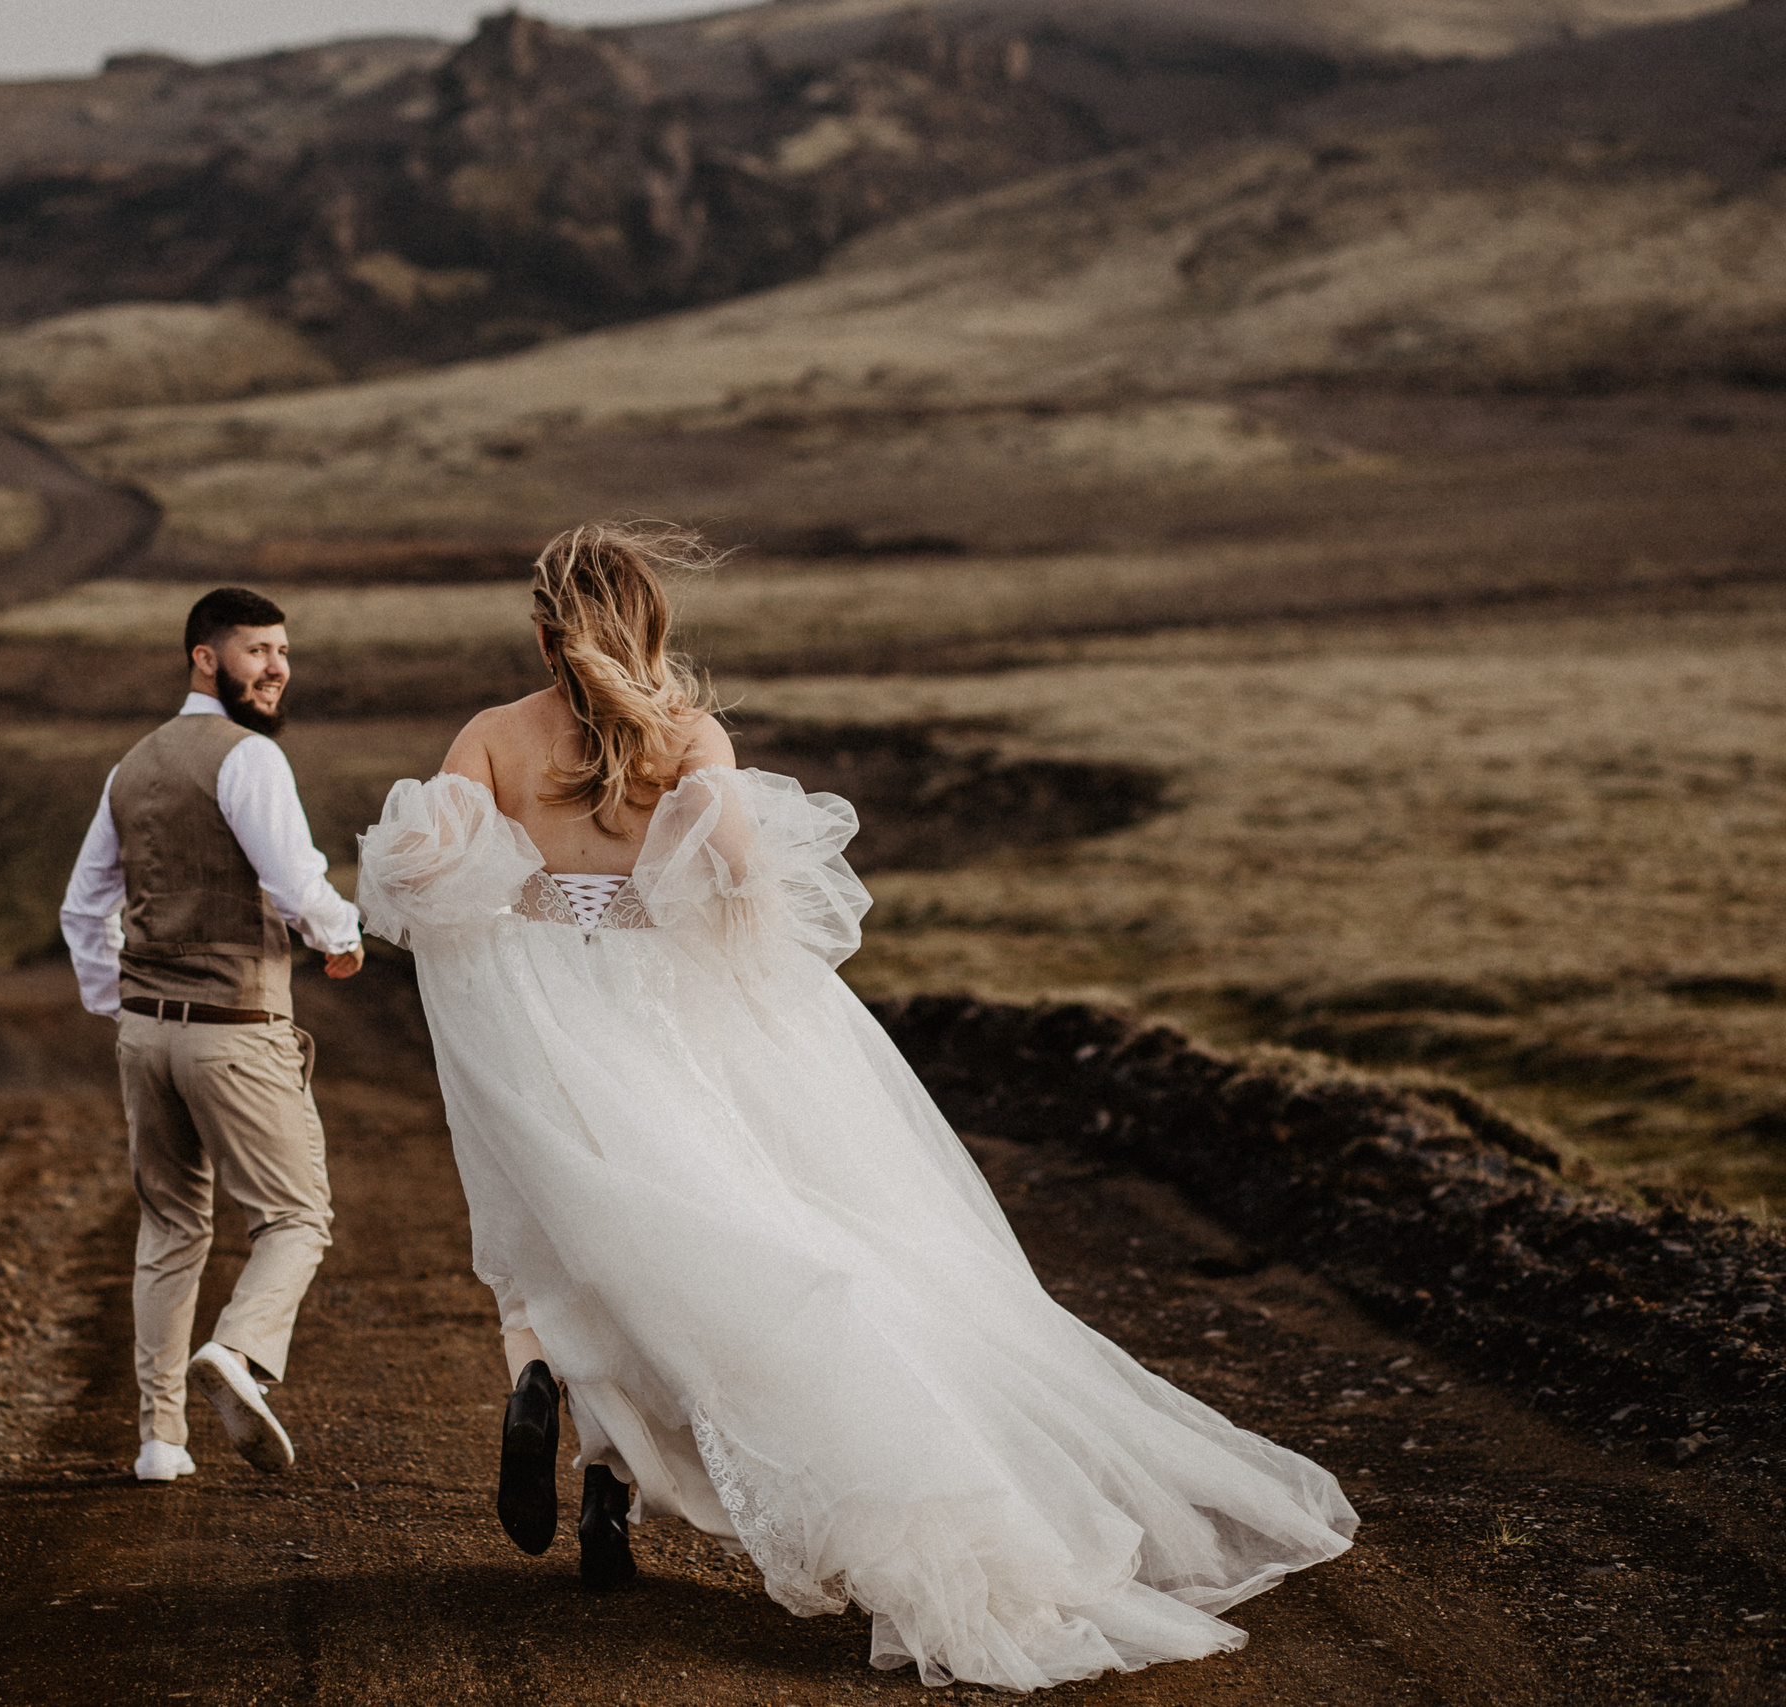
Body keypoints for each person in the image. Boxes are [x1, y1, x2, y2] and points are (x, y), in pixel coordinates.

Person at [355, 524, 1355, 1691]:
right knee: (685, 1249)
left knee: (564, 1252)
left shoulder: (491, 736)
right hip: (655, 1026)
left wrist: (526, 910)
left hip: (543, 1024)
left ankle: (549, 1402)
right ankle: (605, 1503)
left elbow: (419, 877)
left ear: (540, 628)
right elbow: (743, 894)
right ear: (654, 624)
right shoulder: (690, 738)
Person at [61, 587, 364, 1484]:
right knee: (297, 1215)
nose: (275, 668)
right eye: (256, 651)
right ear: (206, 657)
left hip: (147, 1035)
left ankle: (161, 1440)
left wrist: (124, 1005)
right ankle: (240, 1351)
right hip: (237, 1029)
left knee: (169, 1225)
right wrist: (342, 940)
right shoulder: (250, 761)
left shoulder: (133, 767)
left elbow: (84, 910)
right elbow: (300, 885)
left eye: (282, 651)